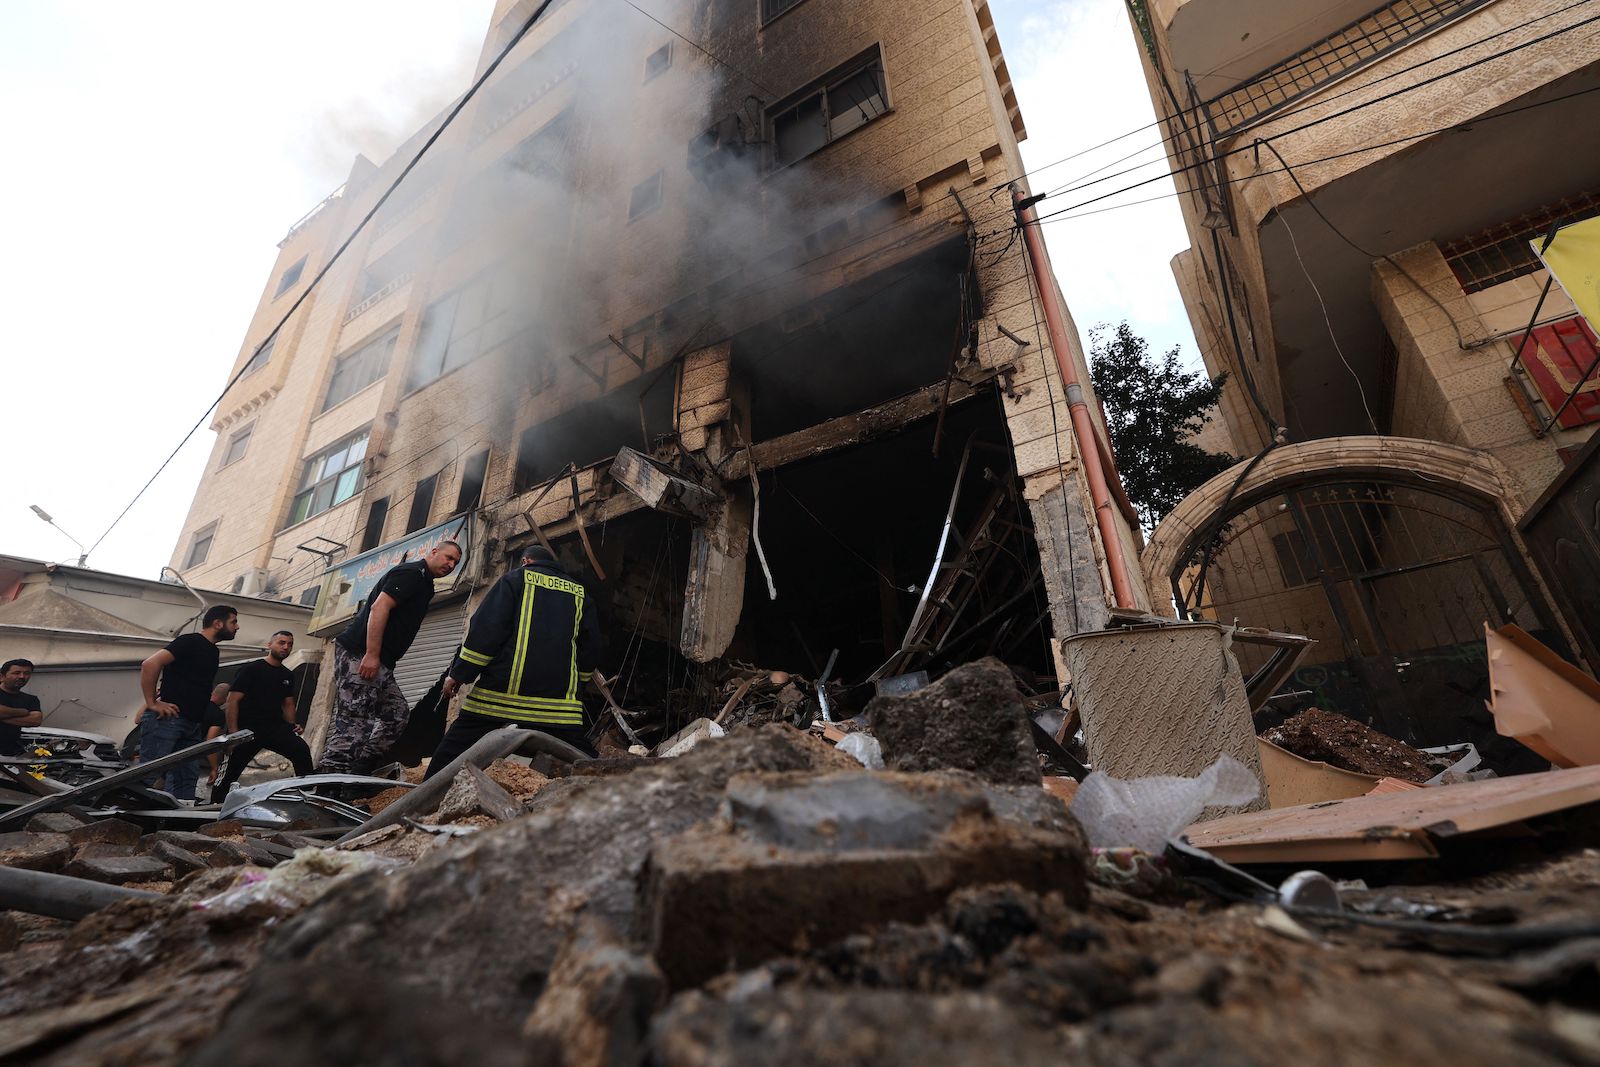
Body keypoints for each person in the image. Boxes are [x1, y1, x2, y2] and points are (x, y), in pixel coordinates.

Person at [425, 546, 600, 778]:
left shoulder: (514, 579)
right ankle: (616, 788)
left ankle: (423, 795)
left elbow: (486, 632)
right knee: (586, 761)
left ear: (526, 561)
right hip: (557, 708)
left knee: (451, 753)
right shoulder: (580, 592)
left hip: (498, 699)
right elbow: (591, 647)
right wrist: (578, 685)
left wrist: (459, 675)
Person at [321, 541, 462, 774]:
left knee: (396, 714)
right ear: (434, 552)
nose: (451, 564)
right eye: (448, 557)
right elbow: (379, 608)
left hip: (382, 663)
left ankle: (357, 772)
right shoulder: (411, 573)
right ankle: (329, 783)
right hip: (360, 654)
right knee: (355, 722)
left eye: (456, 562)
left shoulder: (426, 584)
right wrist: (372, 654)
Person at [137, 604, 238, 802]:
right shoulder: (190, 641)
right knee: (147, 776)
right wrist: (152, 703)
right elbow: (150, 664)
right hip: (168, 720)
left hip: (192, 726)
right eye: (233, 622)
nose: (237, 627)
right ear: (218, 623)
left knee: (186, 779)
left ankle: (176, 819)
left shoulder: (212, 651)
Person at [210, 630, 314, 802]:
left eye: (290, 644)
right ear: (270, 645)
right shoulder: (251, 669)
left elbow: (288, 703)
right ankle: (215, 804)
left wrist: (292, 725)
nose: (286, 647)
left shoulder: (287, 675)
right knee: (230, 771)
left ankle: (308, 795)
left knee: (301, 750)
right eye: (281, 643)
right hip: (247, 729)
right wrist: (234, 733)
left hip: (274, 727)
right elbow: (233, 700)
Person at [0, 659, 43, 758]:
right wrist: (23, 712)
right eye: (16, 673)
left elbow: (36, 720)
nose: (22, 676)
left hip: (12, 754)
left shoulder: (30, 699)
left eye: (26, 673)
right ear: (2, 676)